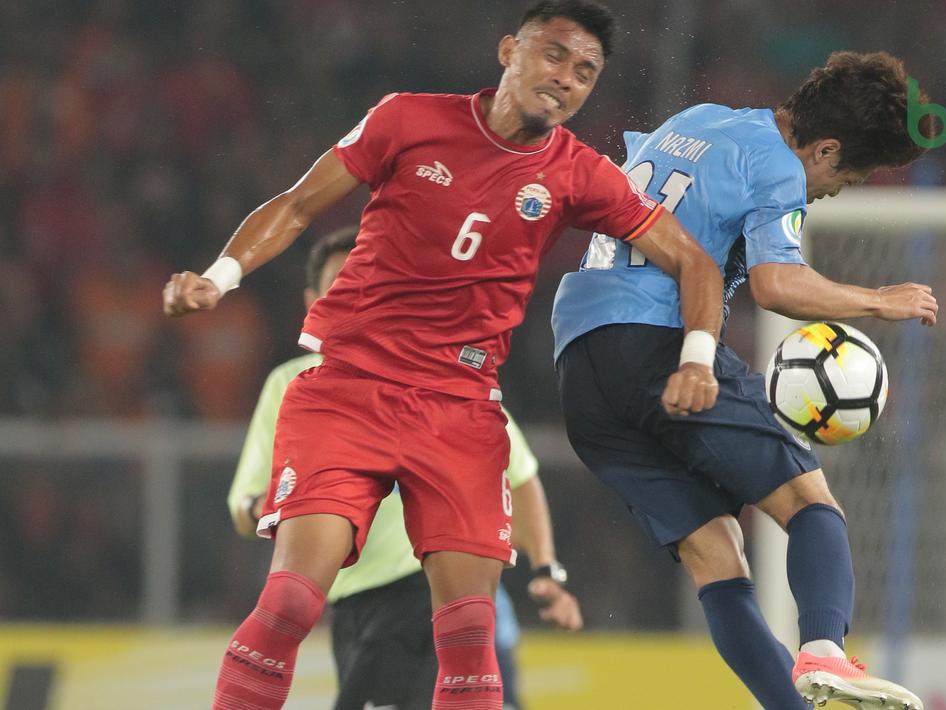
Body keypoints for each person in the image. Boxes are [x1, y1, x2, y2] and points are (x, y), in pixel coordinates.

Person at [161, 1, 725, 708]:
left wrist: (697, 358)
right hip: (348, 389)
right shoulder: (407, 119)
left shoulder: (578, 173)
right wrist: (218, 279)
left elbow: (694, 263)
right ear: (506, 53)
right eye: (553, 55)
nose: (566, 79)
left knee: (466, 640)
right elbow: (300, 204)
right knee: (290, 606)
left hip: (458, 408)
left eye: (585, 72)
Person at [552, 51, 939, 710]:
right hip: (657, 341)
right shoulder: (776, 165)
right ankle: (823, 650)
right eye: (852, 173)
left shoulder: (699, 120)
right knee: (811, 505)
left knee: (716, 554)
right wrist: (879, 300)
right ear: (823, 149)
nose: (840, 188)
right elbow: (774, 283)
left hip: (578, 364)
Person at [226, 227, 581, 710]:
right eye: (340, 281)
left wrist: (546, 571)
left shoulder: (442, 370)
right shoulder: (291, 385)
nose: (357, 289)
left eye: (368, 276)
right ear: (314, 299)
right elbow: (247, 500)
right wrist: (265, 510)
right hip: (350, 601)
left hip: (423, 591)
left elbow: (517, 475)